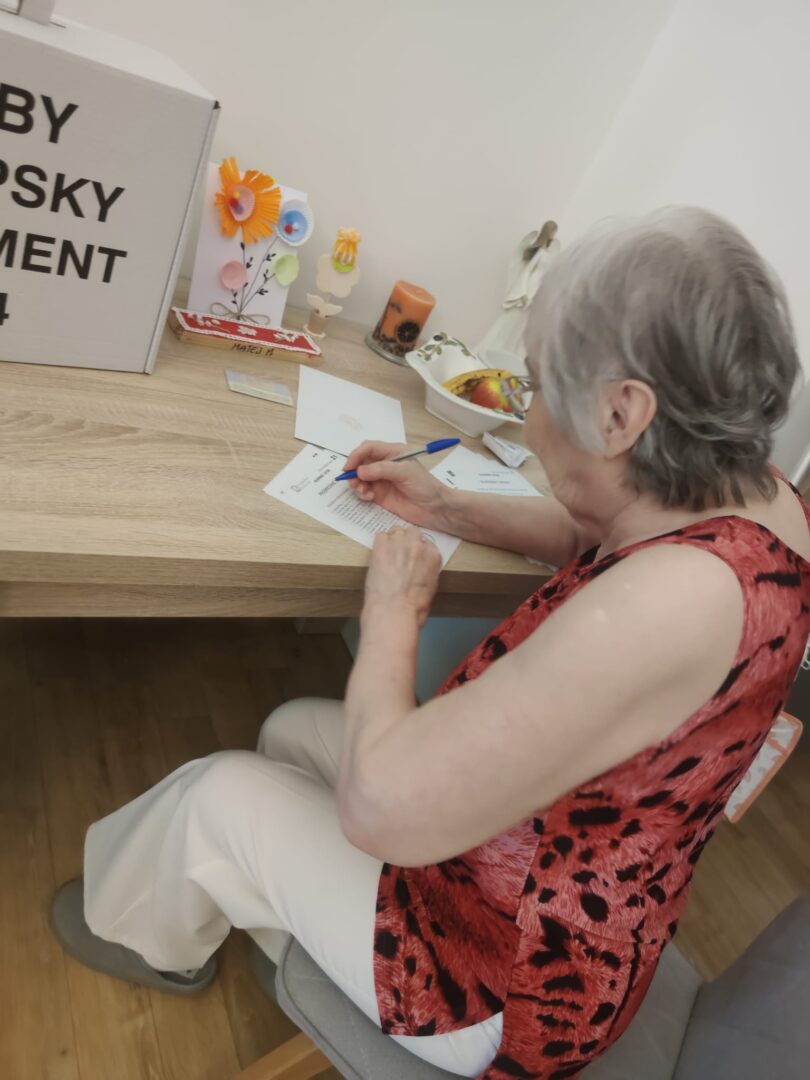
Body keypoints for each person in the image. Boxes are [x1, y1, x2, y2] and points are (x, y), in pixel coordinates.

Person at [52, 208, 810, 1079]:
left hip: (508, 980)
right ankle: (275, 911)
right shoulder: (751, 491)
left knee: (214, 793)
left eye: (535, 391)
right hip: (537, 875)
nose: (530, 423)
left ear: (621, 412)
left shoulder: (669, 607)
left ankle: (143, 941)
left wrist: (393, 612)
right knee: (292, 729)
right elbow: (603, 529)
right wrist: (446, 505)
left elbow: (379, 808)